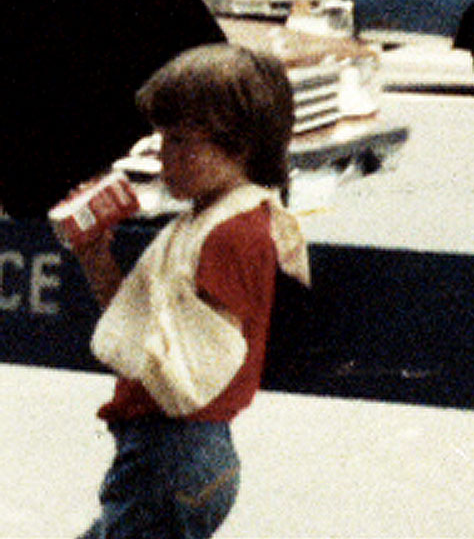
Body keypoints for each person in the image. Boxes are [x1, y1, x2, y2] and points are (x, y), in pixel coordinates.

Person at [66, 44, 309, 539]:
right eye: (159, 139)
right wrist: (95, 256)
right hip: (171, 453)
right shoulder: (202, 221)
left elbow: (192, 371)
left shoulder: (230, 232)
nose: (162, 156)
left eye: (180, 142)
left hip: (174, 452)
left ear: (239, 146)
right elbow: (141, 332)